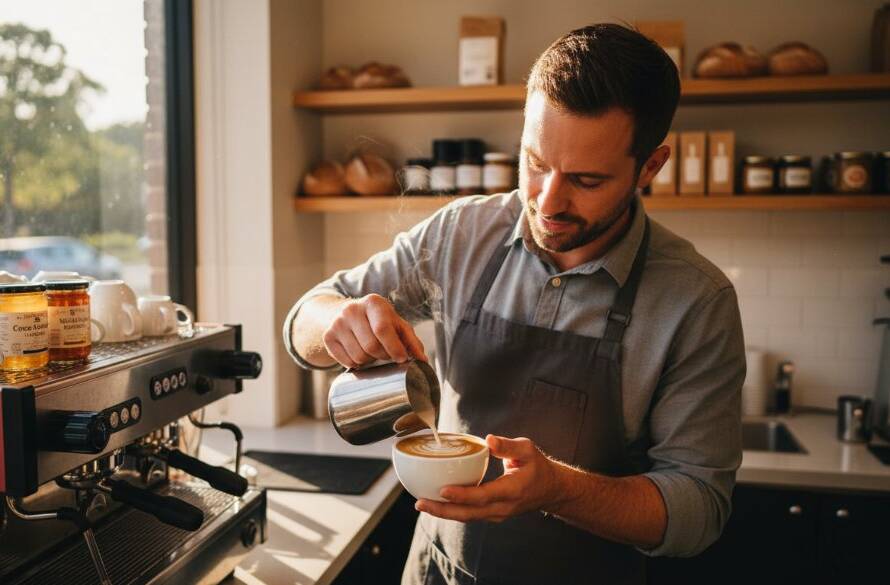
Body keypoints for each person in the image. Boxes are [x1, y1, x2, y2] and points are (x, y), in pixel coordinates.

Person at [284, 22, 745, 585]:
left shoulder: (697, 300)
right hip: (438, 571)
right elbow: (304, 317)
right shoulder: (461, 233)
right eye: (535, 163)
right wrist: (336, 319)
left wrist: (558, 489)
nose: (548, 201)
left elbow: (699, 509)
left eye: (586, 179)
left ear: (649, 166)